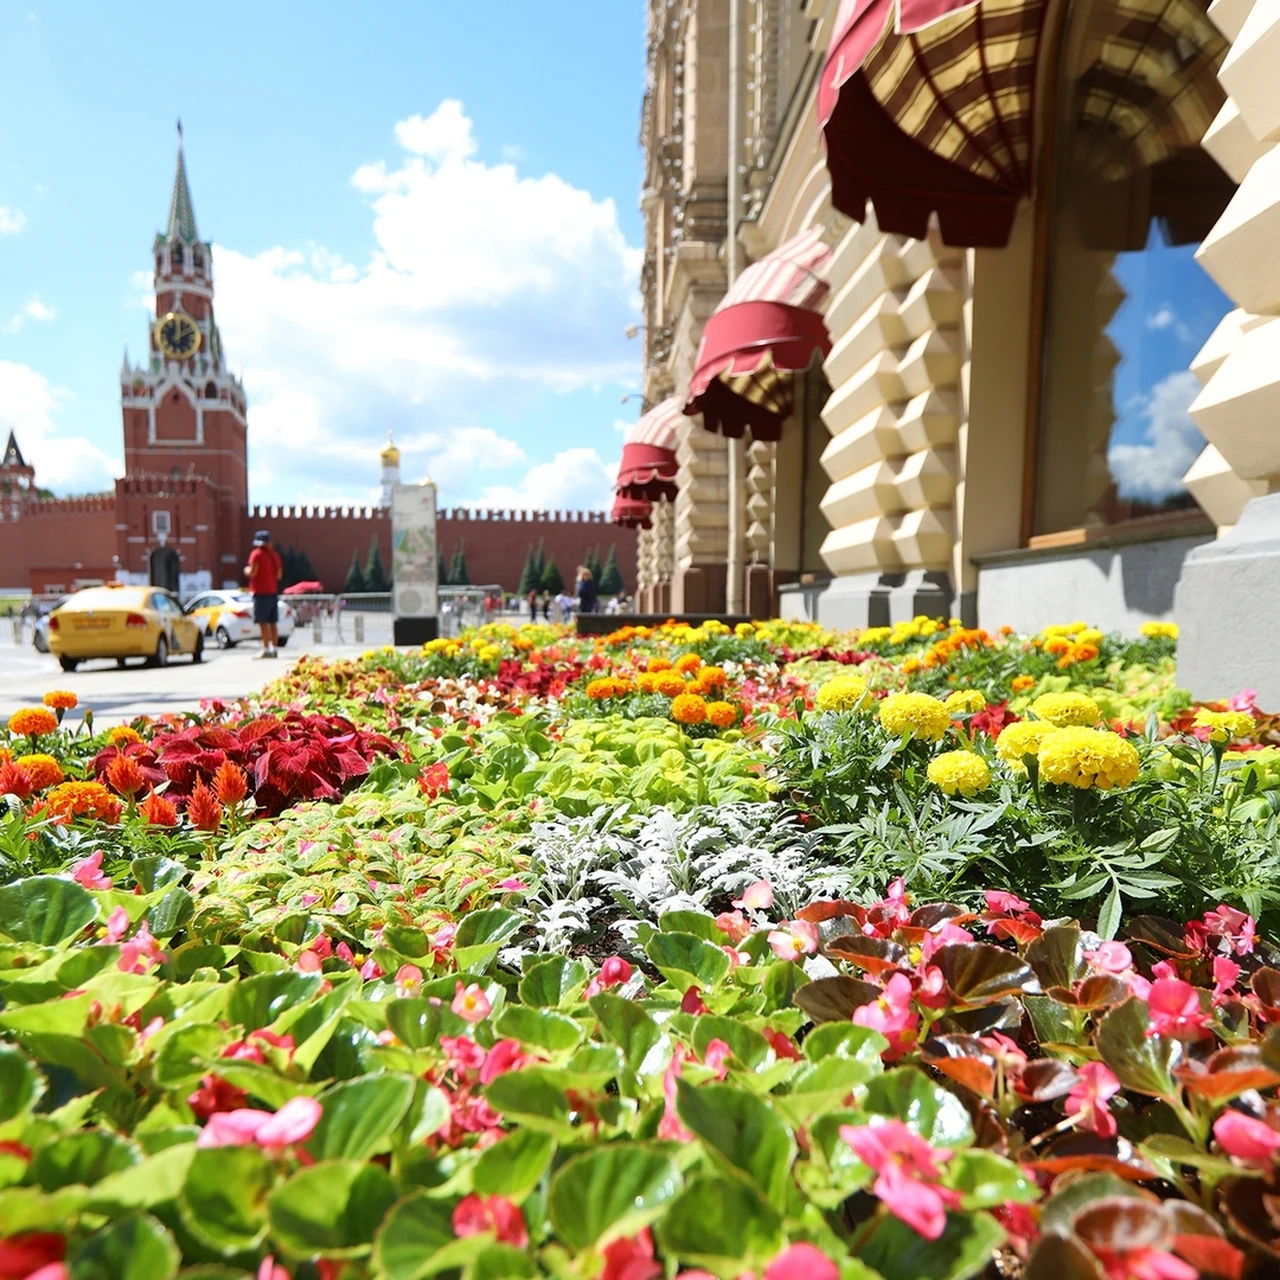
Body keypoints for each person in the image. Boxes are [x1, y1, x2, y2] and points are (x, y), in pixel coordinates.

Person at [244, 530, 283, 659]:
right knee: (273, 623)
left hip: (260, 593)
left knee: (263, 623)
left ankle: (265, 649)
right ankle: (274, 648)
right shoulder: (275, 555)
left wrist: (246, 570)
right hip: (272, 593)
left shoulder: (256, 554)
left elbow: (253, 572)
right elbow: (279, 575)